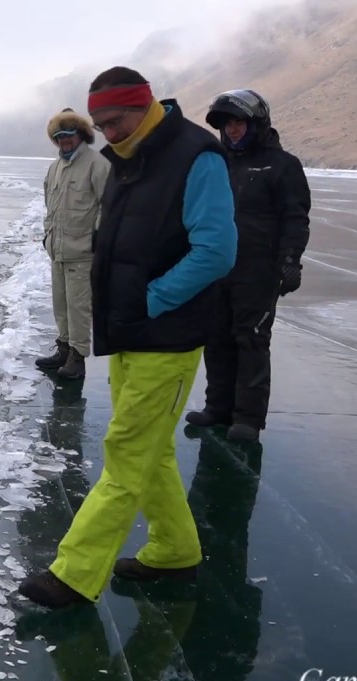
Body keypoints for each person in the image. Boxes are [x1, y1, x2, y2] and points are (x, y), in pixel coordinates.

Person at [17, 66, 238, 608]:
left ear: (143, 107)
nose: (107, 133)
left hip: (169, 334)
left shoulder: (196, 156)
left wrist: (151, 299)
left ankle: (73, 574)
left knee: (126, 452)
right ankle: (175, 551)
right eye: (101, 124)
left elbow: (217, 250)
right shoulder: (127, 158)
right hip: (130, 330)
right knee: (153, 451)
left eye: (114, 122)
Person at [186, 89, 312, 442]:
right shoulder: (217, 163)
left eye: (239, 122)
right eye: (227, 125)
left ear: (256, 123)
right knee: (216, 338)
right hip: (216, 268)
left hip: (257, 270)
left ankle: (248, 418)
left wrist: (290, 261)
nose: (233, 130)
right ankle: (218, 408)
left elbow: (295, 217)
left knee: (252, 340)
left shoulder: (283, 165)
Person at [35, 107, 111, 380]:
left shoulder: (97, 163)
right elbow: (49, 205)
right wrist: (48, 235)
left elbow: (108, 204)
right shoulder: (55, 168)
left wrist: (97, 236)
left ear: (81, 135)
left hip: (82, 251)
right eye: (59, 136)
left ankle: (78, 359)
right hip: (58, 250)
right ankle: (64, 348)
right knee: (61, 304)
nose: (64, 140)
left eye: (69, 134)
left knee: (78, 307)